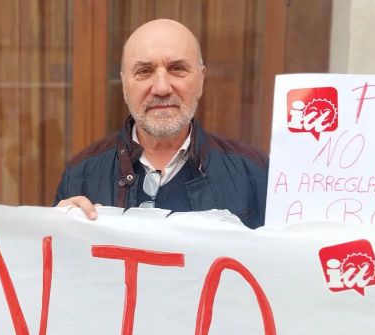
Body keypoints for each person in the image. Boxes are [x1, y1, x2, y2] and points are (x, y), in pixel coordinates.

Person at [54, 19, 268, 229]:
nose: (162, 88)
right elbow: (62, 261)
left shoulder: (254, 173)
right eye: (144, 71)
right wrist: (60, 231)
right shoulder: (80, 175)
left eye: (177, 68)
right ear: (124, 85)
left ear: (201, 79)